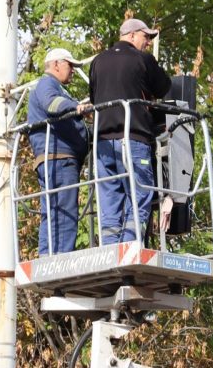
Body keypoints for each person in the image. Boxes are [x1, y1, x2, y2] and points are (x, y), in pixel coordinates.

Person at [88, 18, 172, 245]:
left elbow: (95, 99)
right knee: (140, 195)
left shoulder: (98, 62)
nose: (147, 43)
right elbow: (164, 87)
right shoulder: (142, 59)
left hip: (103, 143)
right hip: (133, 138)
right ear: (133, 35)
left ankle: (110, 250)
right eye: (146, 37)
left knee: (109, 200)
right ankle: (129, 246)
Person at [28, 47, 90, 255]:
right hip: (60, 159)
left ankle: (47, 257)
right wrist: (76, 107)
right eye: (69, 65)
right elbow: (51, 104)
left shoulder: (51, 85)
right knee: (64, 214)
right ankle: (60, 260)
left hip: (55, 159)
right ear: (56, 65)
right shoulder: (48, 84)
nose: (72, 70)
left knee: (53, 213)